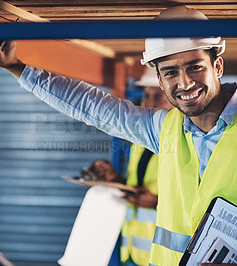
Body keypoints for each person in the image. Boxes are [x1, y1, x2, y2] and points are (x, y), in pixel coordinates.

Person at [0, 5, 237, 265]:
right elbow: (95, 108)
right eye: (170, 72)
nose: (184, 83)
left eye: (194, 66)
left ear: (217, 65)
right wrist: (20, 69)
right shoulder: (166, 130)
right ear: (157, 75)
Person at [87, 68, 173, 266]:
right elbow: (136, 187)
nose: (148, 104)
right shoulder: (140, 142)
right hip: (133, 253)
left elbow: (197, 203)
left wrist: (156, 203)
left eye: (157, 97)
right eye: (146, 97)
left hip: (162, 257)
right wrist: (115, 180)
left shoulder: (187, 146)